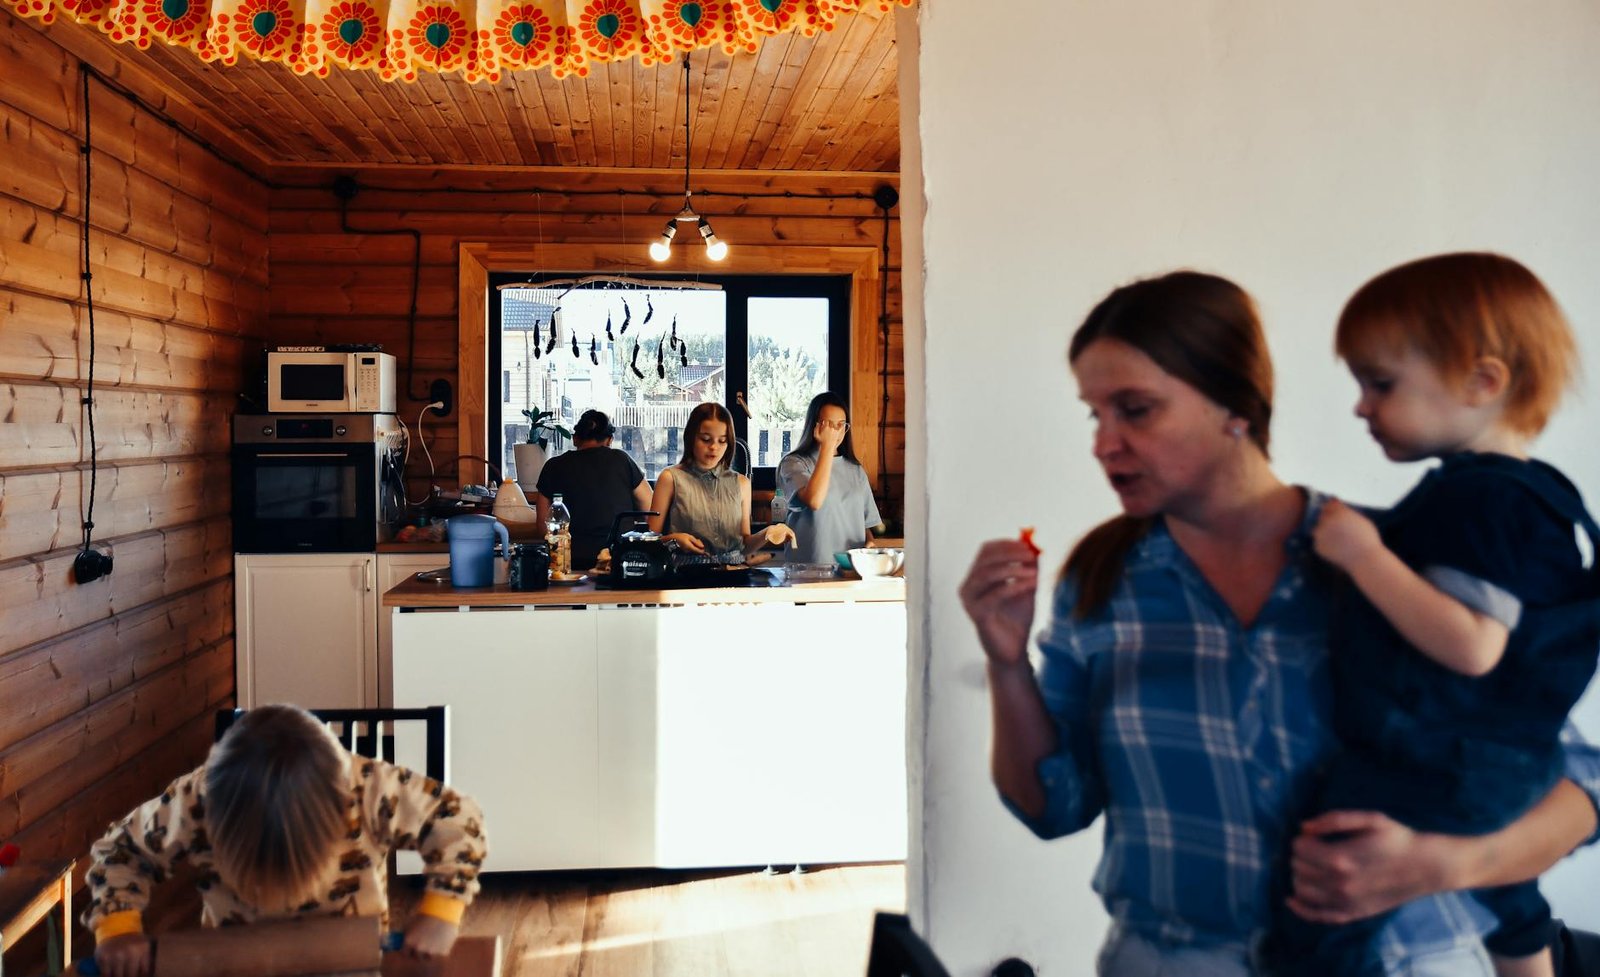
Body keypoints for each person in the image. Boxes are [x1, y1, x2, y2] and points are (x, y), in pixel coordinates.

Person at [957, 270, 1600, 976]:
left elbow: (1576, 783)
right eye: (1094, 413)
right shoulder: (1100, 579)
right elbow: (1052, 806)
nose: (1103, 443)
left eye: (1134, 409)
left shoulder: (1386, 562)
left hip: (1410, 959)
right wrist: (1006, 660)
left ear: (1235, 405)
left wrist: (1440, 864)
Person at [1274, 253, 1600, 977]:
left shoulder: (1479, 501)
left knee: (1329, 875)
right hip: (1517, 760)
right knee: (1511, 895)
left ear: (1483, 381)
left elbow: (1474, 643)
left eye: (1379, 382)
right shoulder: (1538, 493)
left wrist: (1364, 558)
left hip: (1443, 761)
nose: (1360, 405)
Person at [83, 704, 488, 977]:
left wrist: (441, 911)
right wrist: (118, 929)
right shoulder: (196, 801)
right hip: (234, 963)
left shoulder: (365, 789)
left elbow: (457, 819)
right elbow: (122, 851)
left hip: (350, 962)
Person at [648, 402, 795, 563]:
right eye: (705, 439)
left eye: (722, 441)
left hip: (732, 575)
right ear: (691, 438)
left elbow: (745, 545)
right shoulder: (670, 478)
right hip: (684, 574)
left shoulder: (742, 483)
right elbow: (648, 541)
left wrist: (768, 533)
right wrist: (674, 540)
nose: (714, 447)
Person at [535, 409, 653, 570]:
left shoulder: (553, 466)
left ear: (575, 439)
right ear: (610, 440)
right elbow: (650, 508)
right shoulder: (622, 460)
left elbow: (543, 525)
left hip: (570, 562)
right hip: (617, 560)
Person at [777, 391, 882, 565]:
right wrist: (828, 446)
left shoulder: (856, 470)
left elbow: (863, 523)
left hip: (850, 569)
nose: (835, 432)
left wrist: (869, 543)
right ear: (814, 426)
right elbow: (814, 501)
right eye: (829, 425)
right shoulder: (793, 463)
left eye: (841, 425)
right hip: (807, 570)